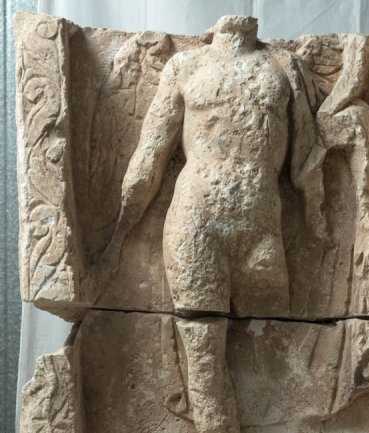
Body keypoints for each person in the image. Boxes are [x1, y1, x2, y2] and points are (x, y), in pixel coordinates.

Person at [98, 15, 325, 433]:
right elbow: (150, 157)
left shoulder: (284, 65)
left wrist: (317, 214)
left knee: (272, 351)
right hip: (196, 218)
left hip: (261, 222)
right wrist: (117, 241)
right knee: (203, 349)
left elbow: (306, 154)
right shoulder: (186, 66)